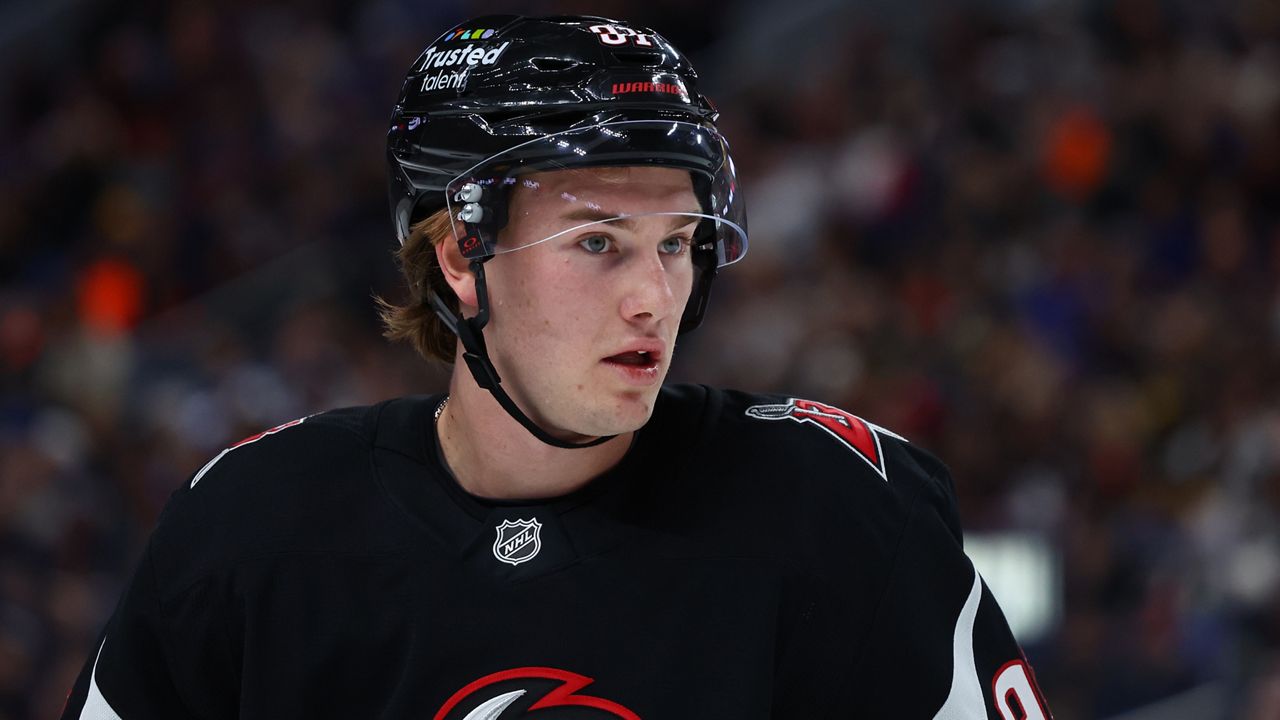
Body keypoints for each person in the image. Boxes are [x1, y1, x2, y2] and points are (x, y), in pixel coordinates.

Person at [63, 14, 1052, 719]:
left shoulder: (835, 512)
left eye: (675, 243)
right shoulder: (251, 530)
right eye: (597, 243)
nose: (651, 297)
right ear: (459, 254)